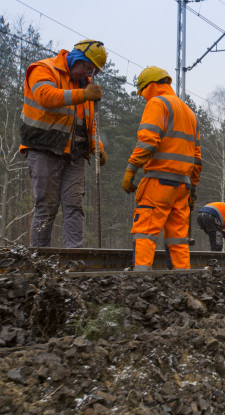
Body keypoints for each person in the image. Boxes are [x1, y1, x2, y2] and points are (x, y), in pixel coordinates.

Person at [19, 39, 107, 247]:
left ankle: (73, 261)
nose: (88, 74)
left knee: (74, 206)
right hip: (44, 149)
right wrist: (82, 94)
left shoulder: (84, 85)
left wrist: (97, 146)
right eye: (86, 67)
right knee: (46, 207)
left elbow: (87, 121)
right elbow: (45, 96)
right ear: (77, 58)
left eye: (91, 71)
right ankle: (39, 258)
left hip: (75, 154)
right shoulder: (43, 69)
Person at [122, 66, 202, 270]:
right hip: (182, 186)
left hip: (159, 181)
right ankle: (182, 281)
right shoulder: (190, 113)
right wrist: (192, 189)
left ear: (151, 85)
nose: (142, 97)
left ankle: (139, 281)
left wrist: (131, 169)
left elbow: (148, 141)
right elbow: (197, 159)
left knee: (145, 231)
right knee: (177, 238)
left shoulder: (157, 103)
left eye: (142, 91)